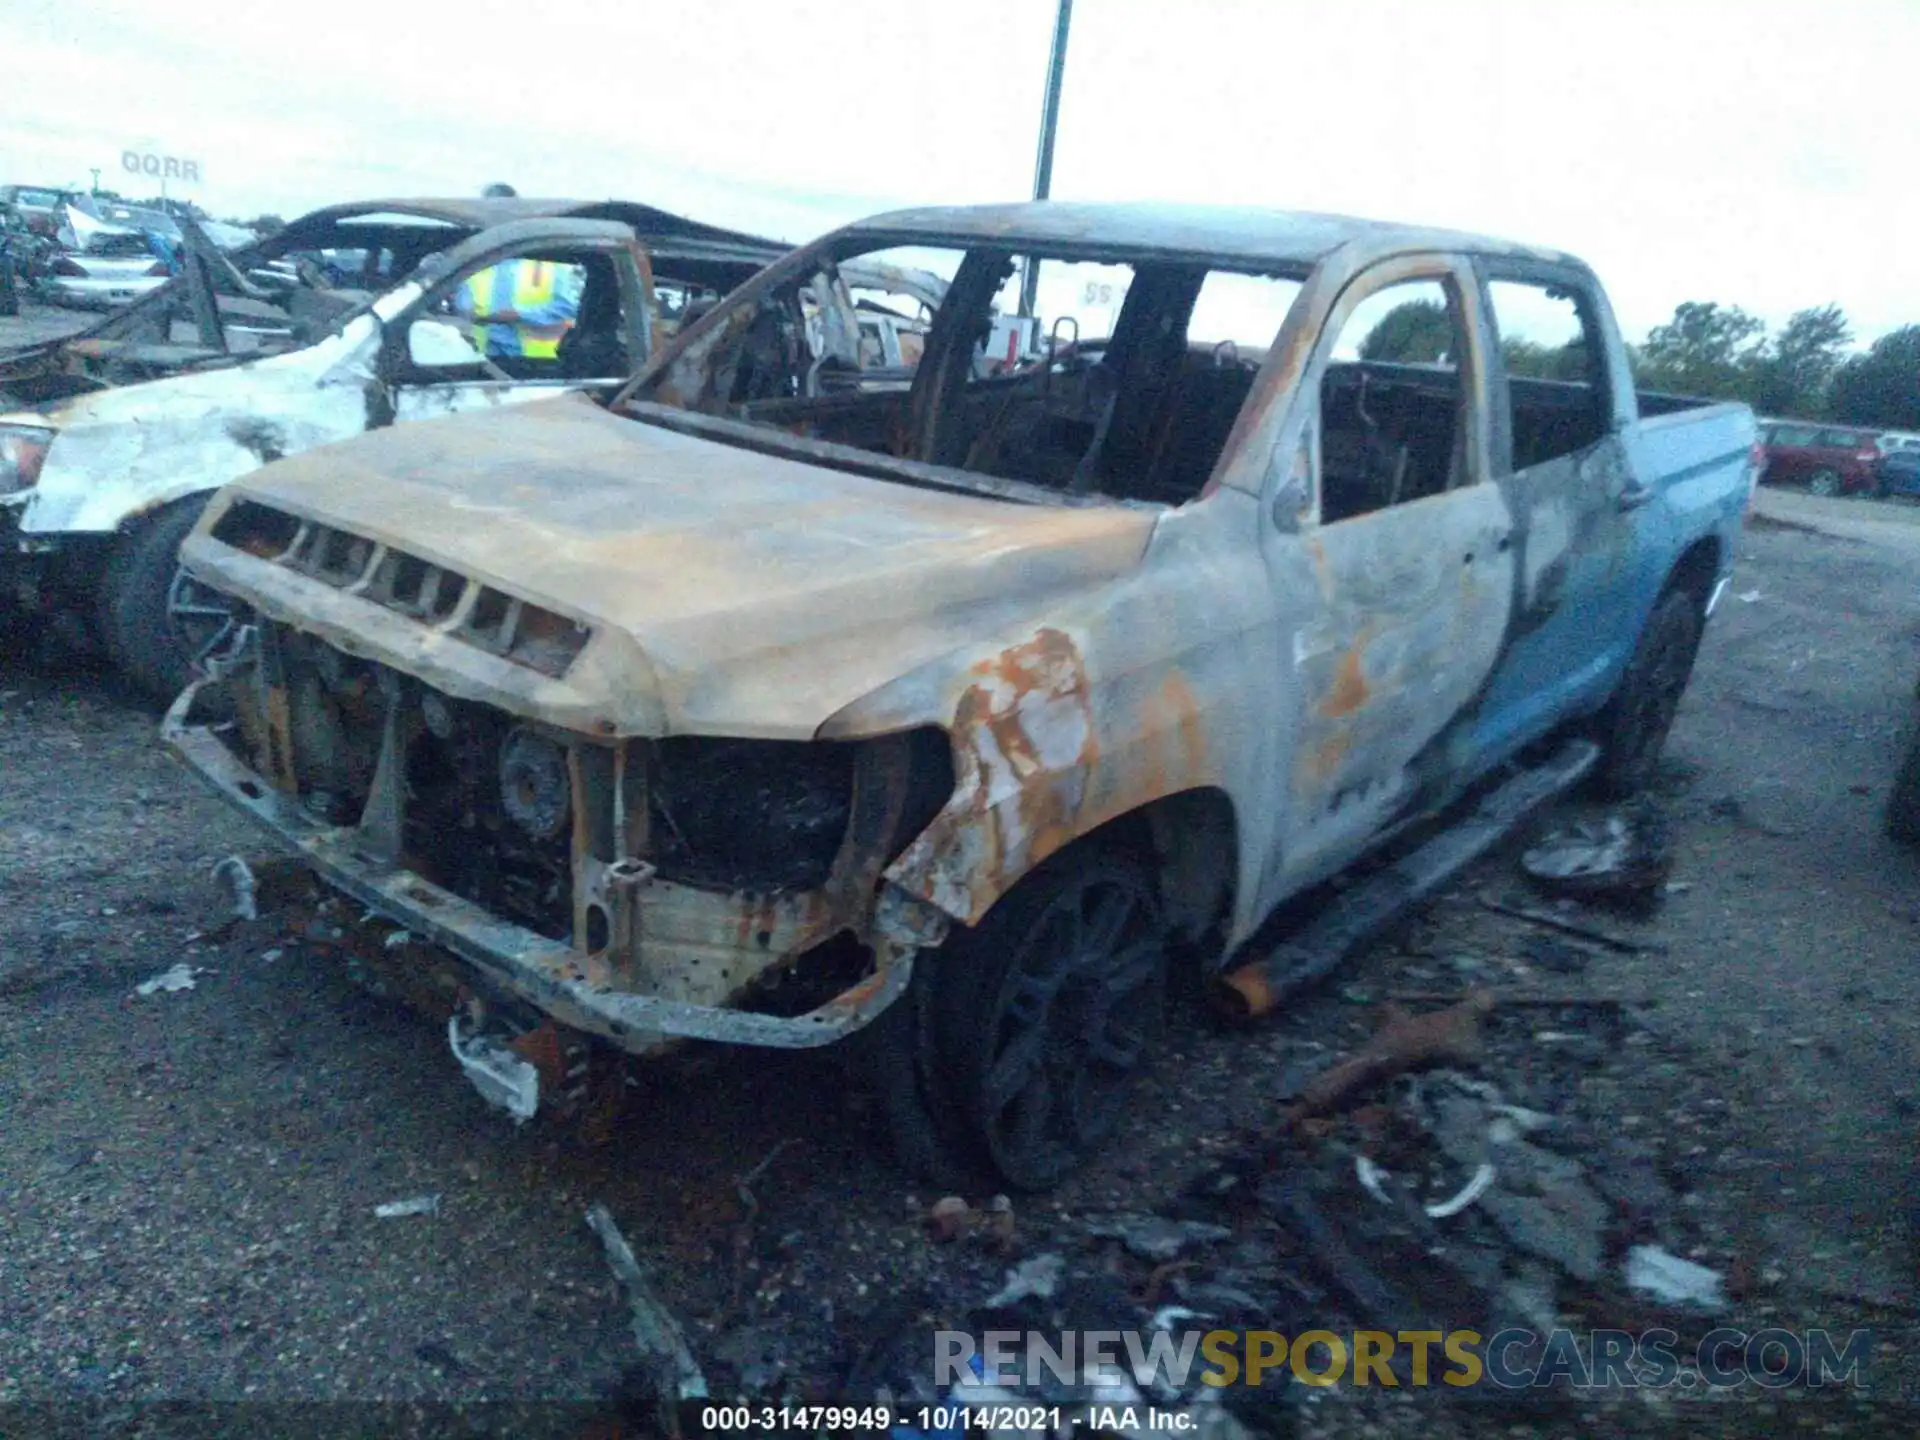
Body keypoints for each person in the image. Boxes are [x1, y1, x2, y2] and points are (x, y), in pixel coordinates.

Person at [451, 182, 584, 361]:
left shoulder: (551, 263)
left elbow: (568, 308)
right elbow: (458, 308)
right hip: (482, 362)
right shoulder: (471, 262)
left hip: (538, 366)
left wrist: (516, 314)